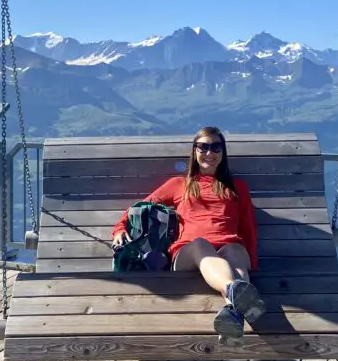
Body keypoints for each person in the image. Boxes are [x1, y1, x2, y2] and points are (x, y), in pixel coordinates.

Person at [111, 126, 265, 340]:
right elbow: (139, 208)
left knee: (235, 249)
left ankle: (233, 315)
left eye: (216, 147)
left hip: (229, 249)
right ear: (194, 151)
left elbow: (249, 228)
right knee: (201, 244)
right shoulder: (179, 185)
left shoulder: (238, 187)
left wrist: (254, 264)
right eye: (203, 147)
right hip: (188, 253)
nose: (209, 153)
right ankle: (236, 293)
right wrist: (119, 229)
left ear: (223, 152)